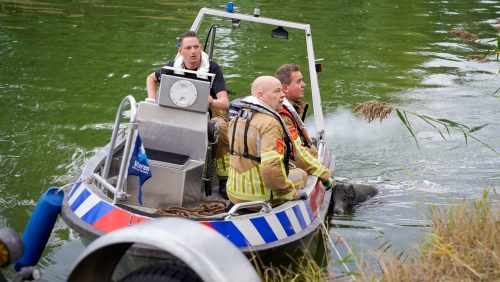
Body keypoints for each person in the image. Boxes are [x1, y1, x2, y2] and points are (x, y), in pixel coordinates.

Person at [146, 31, 231, 197]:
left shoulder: (212, 67)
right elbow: (151, 78)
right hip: (181, 110)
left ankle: (224, 178)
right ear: (180, 51)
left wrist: (211, 101)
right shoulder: (172, 66)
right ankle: (163, 169)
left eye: (196, 47)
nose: (193, 51)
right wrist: (152, 100)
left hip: (209, 111)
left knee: (219, 127)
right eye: (188, 48)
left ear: (200, 48)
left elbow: (225, 103)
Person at [226, 76, 309, 206]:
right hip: (261, 199)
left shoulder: (236, 118)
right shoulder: (270, 124)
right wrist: (291, 194)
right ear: (261, 95)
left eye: (282, 91)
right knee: (301, 174)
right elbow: (270, 171)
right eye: (277, 91)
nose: (282, 95)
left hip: (234, 195)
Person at [275, 64, 334, 190]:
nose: (303, 84)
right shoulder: (283, 116)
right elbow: (297, 154)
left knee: (312, 151)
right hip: (278, 172)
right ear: (285, 88)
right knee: (302, 176)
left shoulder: (290, 108)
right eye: (298, 81)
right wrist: (324, 174)